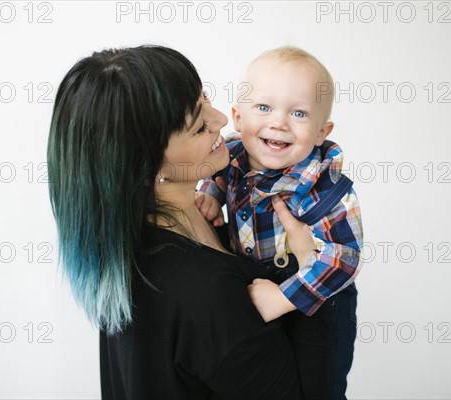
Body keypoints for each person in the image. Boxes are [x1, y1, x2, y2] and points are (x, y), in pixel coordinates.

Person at [47, 45, 321, 399]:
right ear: (147, 167)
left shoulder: (125, 247)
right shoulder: (208, 292)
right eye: (198, 126)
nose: (222, 118)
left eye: (204, 98)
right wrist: (311, 270)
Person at [196, 46, 364, 399]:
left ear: (321, 132)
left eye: (299, 113)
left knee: (316, 386)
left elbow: (344, 258)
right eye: (264, 107)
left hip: (316, 296)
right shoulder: (234, 153)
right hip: (255, 286)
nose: (279, 122)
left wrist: (283, 299)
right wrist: (211, 193)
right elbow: (220, 171)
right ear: (238, 118)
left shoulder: (323, 184)